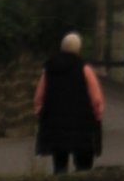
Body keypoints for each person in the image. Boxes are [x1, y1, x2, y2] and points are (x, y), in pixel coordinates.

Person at [33, 31, 105, 172]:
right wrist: (97, 116)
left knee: (59, 165)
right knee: (83, 166)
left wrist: (41, 113)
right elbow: (96, 98)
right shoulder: (84, 69)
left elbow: (38, 97)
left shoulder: (49, 69)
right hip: (81, 126)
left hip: (56, 126)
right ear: (78, 49)